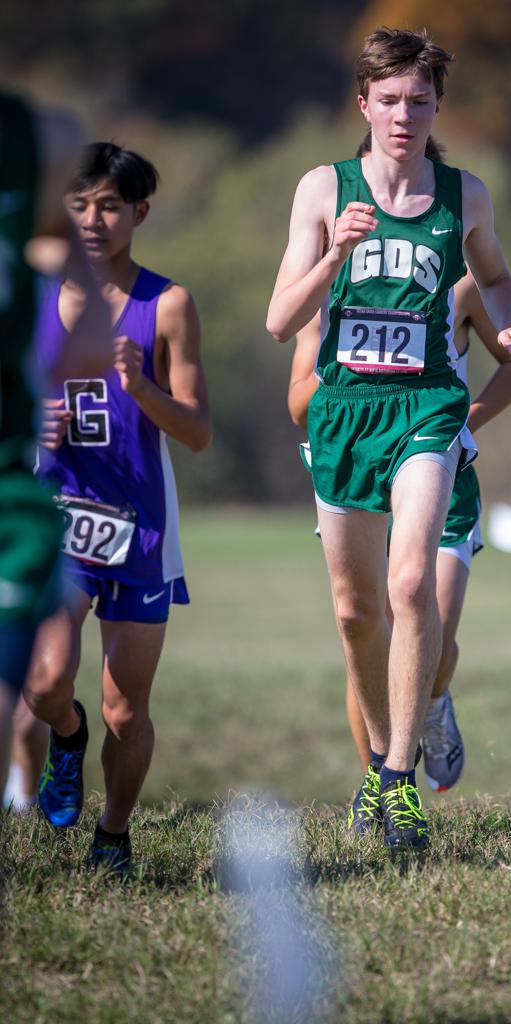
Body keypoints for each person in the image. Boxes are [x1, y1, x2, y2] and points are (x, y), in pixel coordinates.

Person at [268, 27, 511, 850]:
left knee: (411, 579)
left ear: (436, 107)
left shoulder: (467, 196)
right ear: (363, 104)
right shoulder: (323, 189)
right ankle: (376, 765)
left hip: (425, 405)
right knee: (356, 616)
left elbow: (494, 275)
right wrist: (335, 254)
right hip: (345, 414)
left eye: (419, 101)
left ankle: (398, 781)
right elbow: (281, 321)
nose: (403, 115)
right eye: (388, 101)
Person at [22, 142, 211, 875]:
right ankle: (65, 740)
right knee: (44, 685)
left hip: (139, 531)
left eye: (109, 205)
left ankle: (114, 835)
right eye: (80, 204)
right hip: (55, 523)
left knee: (126, 710)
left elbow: (197, 432)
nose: (94, 220)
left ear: (140, 212)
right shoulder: (31, 297)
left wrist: (143, 391)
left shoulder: (166, 305)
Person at [289, 264, 511, 792]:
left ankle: (434, 702)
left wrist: (450, 427)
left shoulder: (460, 278)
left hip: (436, 471)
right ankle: (383, 786)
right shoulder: (329, 277)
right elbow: (295, 403)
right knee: (367, 635)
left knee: (434, 644)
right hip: (357, 465)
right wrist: (349, 372)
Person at [0, 89, 110, 798]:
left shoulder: (34, 136)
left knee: (51, 680)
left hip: (52, 499)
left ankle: (43, 762)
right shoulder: (32, 136)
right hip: (18, 497)